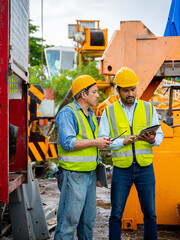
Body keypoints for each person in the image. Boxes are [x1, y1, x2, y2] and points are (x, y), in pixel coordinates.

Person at [98, 67, 163, 240]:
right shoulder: (109, 111)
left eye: (133, 89)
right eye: (126, 90)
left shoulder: (148, 108)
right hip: (121, 170)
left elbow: (160, 136)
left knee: (150, 214)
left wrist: (151, 140)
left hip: (145, 168)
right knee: (116, 214)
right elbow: (103, 140)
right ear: (118, 90)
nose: (130, 93)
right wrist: (123, 142)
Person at [54, 75, 112, 240]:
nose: (97, 95)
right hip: (73, 175)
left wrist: (97, 173)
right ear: (82, 94)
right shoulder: (67, 113)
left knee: (87, 223)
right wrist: (96, 142)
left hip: (89, 175)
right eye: (93, 92)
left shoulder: (91, 115)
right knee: (68, 224)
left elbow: (93, 147)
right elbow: (68, 143)